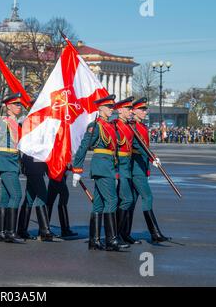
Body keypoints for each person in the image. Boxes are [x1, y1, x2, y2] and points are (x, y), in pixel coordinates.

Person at [72, 95, 130, 251]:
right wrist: (77, 169)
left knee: (98, 204)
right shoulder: (95, 126)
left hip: (109, 166)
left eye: (112, 107)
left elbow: (116, 149)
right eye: (109, 107)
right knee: (112, 200)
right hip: (101, 167)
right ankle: (111, 239)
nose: (112, 109)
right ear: (100, 108)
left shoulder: (110, 126)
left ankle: (94, 240)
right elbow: (84, 146)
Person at [130, 98, 170, 243]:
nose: (145, 112)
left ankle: (123, 233)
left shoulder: (142, 126)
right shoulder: (132, 126)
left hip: (142, 165)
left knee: (131, 201)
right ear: (133, 111)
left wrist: (152, 157)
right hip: (135, 166)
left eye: (145, 109)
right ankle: (155, 233)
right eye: (142, 109)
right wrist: (152, 157)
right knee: (147, 197)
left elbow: (145, 147)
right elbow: (139, 147)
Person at [0, 93, 25, 244]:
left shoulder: (17, 124)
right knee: (17, 195)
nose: (19, 107)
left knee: (6, 197)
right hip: (5, 161)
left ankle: (0, 232)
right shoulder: (3, 123)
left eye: (19, 105)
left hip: (13, 161)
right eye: (16, 104)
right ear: (8, 107)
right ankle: (10, 232)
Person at [113, 97, 142, 245]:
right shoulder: (115, 126)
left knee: (126, 200)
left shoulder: (129, 126)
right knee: (126, 199)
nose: (131, 111)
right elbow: (112, 149)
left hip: (128, 166)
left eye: (131, 109)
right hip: (120, 168)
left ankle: (123, 233)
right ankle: (116, 234)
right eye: (128, 109)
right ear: (120, 110)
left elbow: (137, 144)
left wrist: (153, 158)